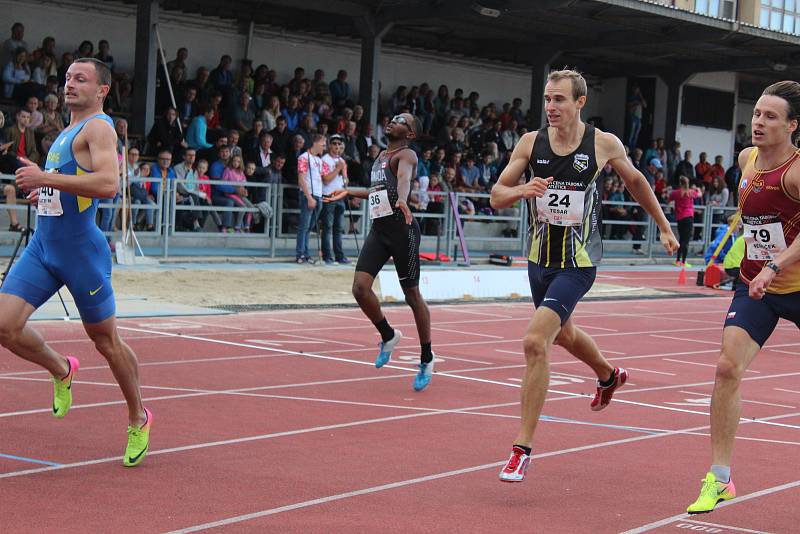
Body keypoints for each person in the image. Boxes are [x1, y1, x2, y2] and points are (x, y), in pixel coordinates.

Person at [489, 70, 678, 482]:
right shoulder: (529, 143)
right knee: (565, 335)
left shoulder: (602, 144)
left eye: (559, 99)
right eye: (547, 100)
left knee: (536, 341)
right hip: (539, 260)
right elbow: (497, 195)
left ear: (580, 102)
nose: (551, 107)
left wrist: (663, 226)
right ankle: (609, 376)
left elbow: (636, 181)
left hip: (578, 262)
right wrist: (524, 190)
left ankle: (521, 449)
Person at [5, 58, 151, 466]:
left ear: (101, 89)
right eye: (68, 78)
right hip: (44, 248)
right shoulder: (65, 132)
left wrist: (46, 180)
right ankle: (60, 368)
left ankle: (138, 416)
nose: (70, 84)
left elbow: (107, 184)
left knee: (106, 342)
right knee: (4, 325)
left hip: (80, 254)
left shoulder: (99, 128)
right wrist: (46, 193)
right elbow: (73, 187)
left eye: (80, 79)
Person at [686, 80, 800, 514]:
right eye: (756, 113)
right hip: (757, 285)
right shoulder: (746, 159)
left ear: (792, 126)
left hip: (791, 282)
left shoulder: (796, 171)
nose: (759, 122)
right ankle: (719, 478)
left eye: (771, 116)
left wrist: (776, 264)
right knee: (726, 368)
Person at [326, 113, 435, 391]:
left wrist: (402, 197)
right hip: (380, 232)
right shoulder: (380, 157)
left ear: (409, 133)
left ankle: (426, 357)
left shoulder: (407, 154)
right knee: (360, 289)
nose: (393, 121)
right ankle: (388, 335)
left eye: (401, 120)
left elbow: (404, 179)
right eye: (394, 117)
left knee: (412, 295)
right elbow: (377, 190)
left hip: (403, 231)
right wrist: (349, 191)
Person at [669, 176, 701, 267]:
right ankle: (683, 261)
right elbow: (699, 194)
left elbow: (669, 198)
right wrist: (697, 189)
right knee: (686, 240)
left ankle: (677, 260)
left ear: (680, 183)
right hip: (689, 217)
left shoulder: (676, 193)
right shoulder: (691, 192)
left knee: (681, 238)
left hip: (680, 217)